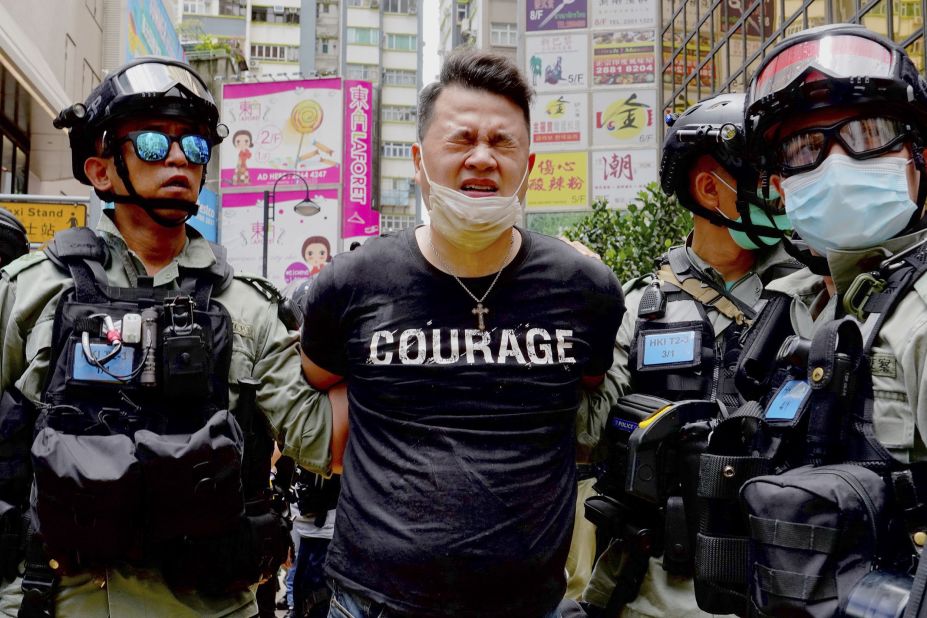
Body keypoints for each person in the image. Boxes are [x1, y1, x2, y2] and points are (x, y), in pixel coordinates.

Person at [0, 57, 341, 617]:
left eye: (196, 146)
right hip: (50, 602)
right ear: (101, 170)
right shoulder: (30, 292)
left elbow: (319, 441)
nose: (180, 157)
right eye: (154, 144)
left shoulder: (250, 309)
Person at [300, 49, 624, 618]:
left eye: (503, 143)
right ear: (419, 161)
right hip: (372, 602)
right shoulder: (351, 282)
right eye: (461, 140)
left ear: (530, 164)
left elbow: (590, 384)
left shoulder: (585, 287)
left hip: (531, 604)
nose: (482, 159)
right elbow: (320, 379)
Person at [686, 23, 927, 616]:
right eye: (803, 149)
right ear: (780, 187)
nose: (833, 162)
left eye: (868, 134)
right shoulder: (797, 305)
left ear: (920, 156)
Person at [579, 93, 797, 618]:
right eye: (766, 175)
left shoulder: (812, 292)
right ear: (708, 188)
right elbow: (585, 433)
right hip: (655, 593)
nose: (783, 189)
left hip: (786, 586)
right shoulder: (638, 306)